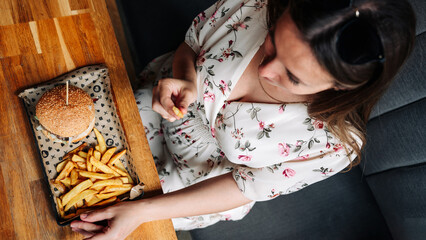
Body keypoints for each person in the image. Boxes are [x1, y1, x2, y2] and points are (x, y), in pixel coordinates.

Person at [70, 0, 416, 239]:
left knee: (94, 217)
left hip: (197, 184)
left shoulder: (334, 146)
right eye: (271, 45)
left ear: (340, 87)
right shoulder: (256, 6)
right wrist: (186, 78)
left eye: (293, 78)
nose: (266, 70)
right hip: (158, 104)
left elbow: (244, 186)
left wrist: (142, 212)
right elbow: (191, 46)